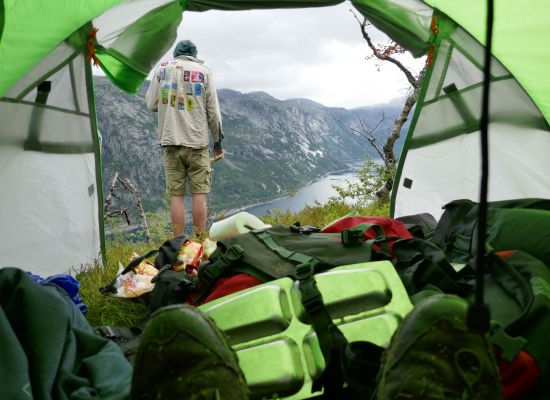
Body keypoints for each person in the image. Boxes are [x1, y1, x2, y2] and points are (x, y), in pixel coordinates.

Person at [145, 40, 223, 238]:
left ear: (176, 54)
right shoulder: (204, 72)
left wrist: (168, 104)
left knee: (176, 196)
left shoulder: (162, 70)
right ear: (194, 55)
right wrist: (218, 142)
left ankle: (178, 244)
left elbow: (150, 104)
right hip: (197, 142)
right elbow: (213, 111)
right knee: (199, 194)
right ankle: (200, 240)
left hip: (171, 141)